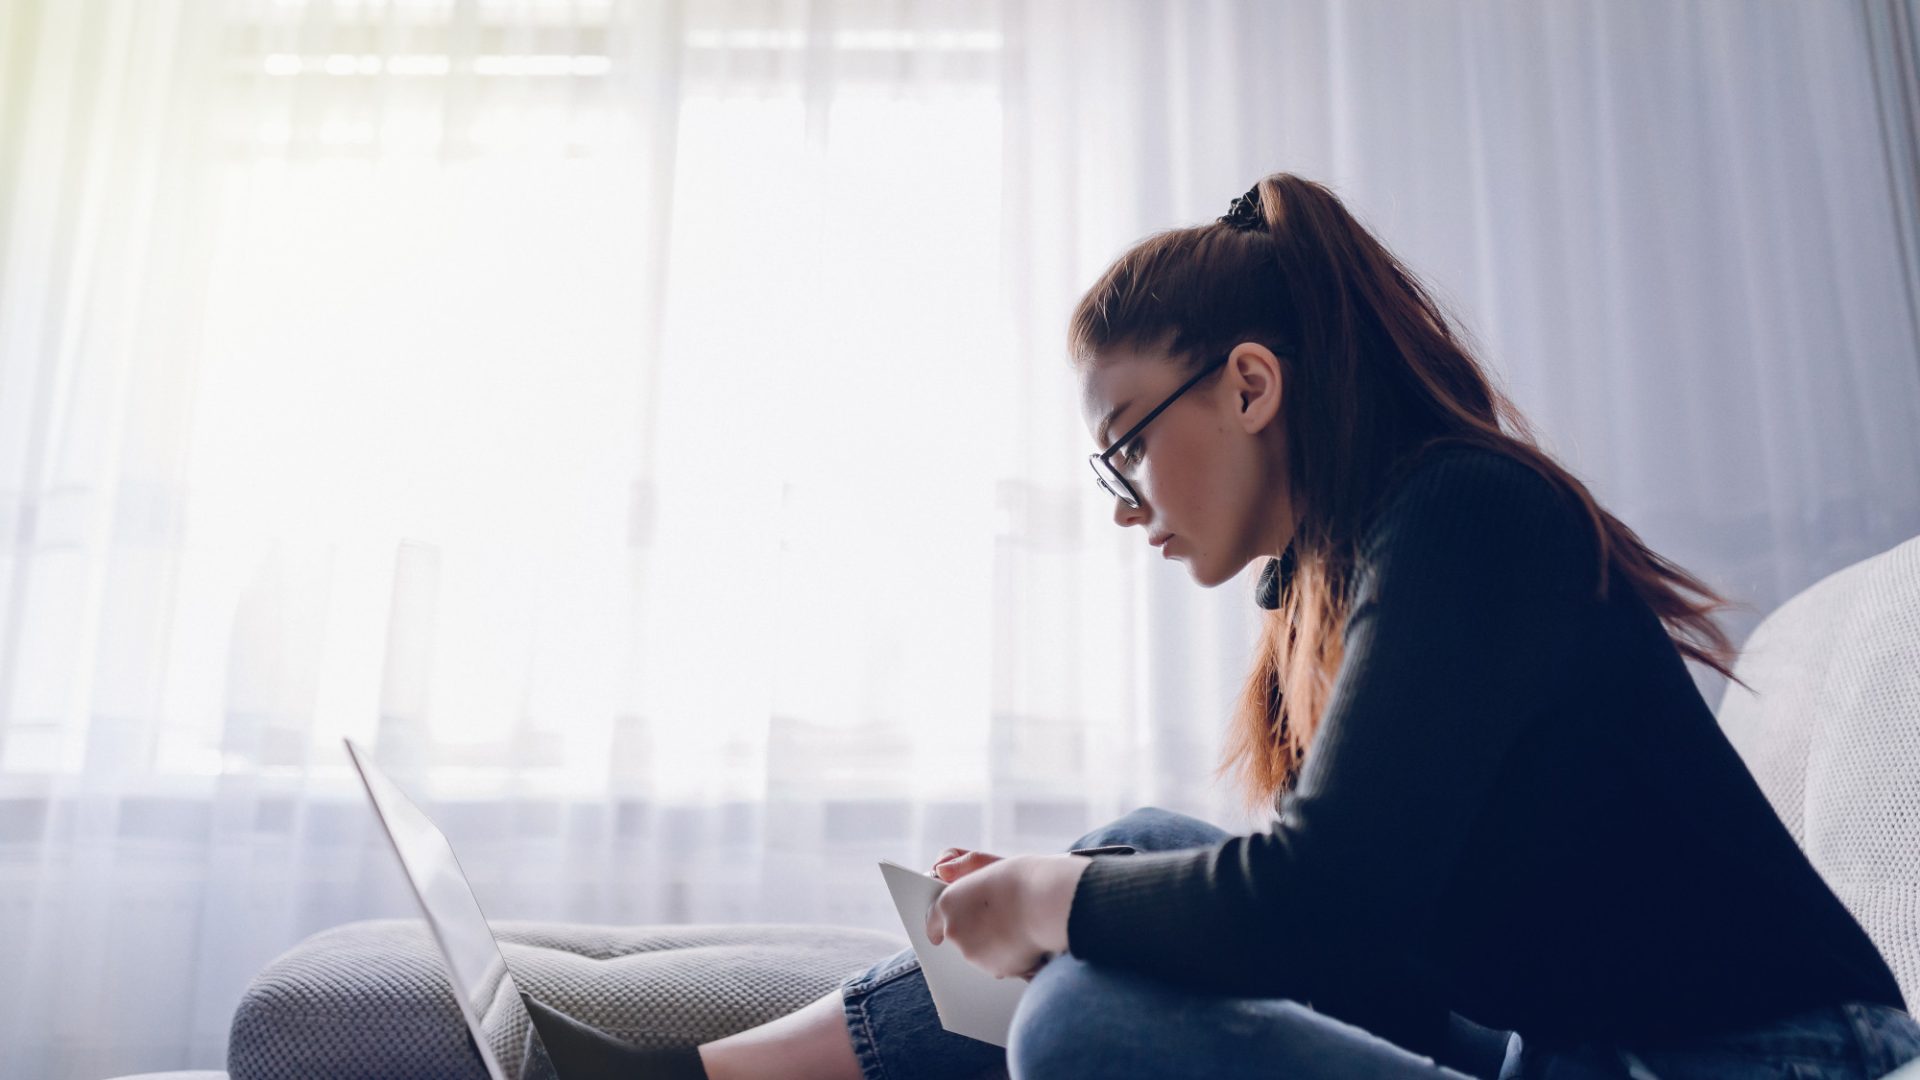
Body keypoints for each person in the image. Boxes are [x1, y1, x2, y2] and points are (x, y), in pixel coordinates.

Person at [543, 172, 1920, 1080]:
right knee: (1137, 852)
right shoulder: (1369, 551)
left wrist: (1040, 897)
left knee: (1087, 1010)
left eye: (1124, 447)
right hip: (1563, 1048)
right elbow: (1361, 916)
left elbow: (1321, 903)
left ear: (1248, 384)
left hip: (1771, 1062)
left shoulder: (1465, 517)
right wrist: (1077, 890)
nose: (1124, 499)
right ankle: (693, 1079)